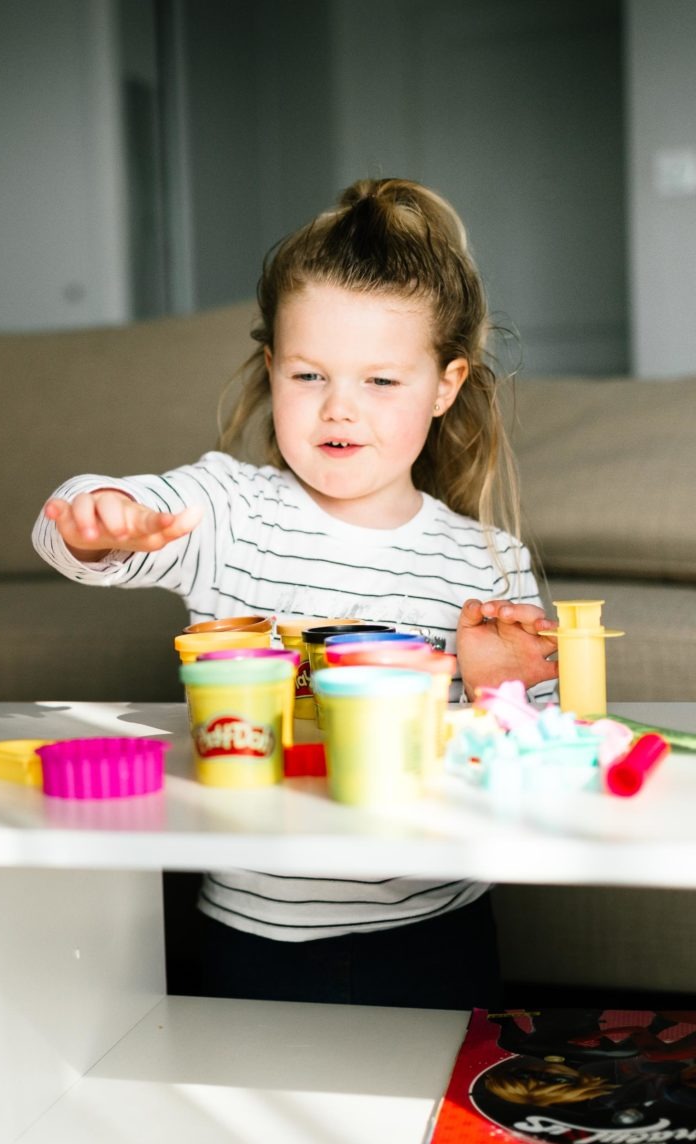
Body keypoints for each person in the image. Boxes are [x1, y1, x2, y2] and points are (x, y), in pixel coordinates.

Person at [33, 177, 558, 1009]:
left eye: (382, 382)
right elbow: (85, 532)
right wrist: (101, 520)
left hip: (436, 931)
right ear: (273, 367)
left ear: (447, 384)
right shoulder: (230, 509)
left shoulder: (486, 562)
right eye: (310, 374)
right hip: (252, 932)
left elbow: (539, 759)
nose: (339, 408)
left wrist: (502, 688)